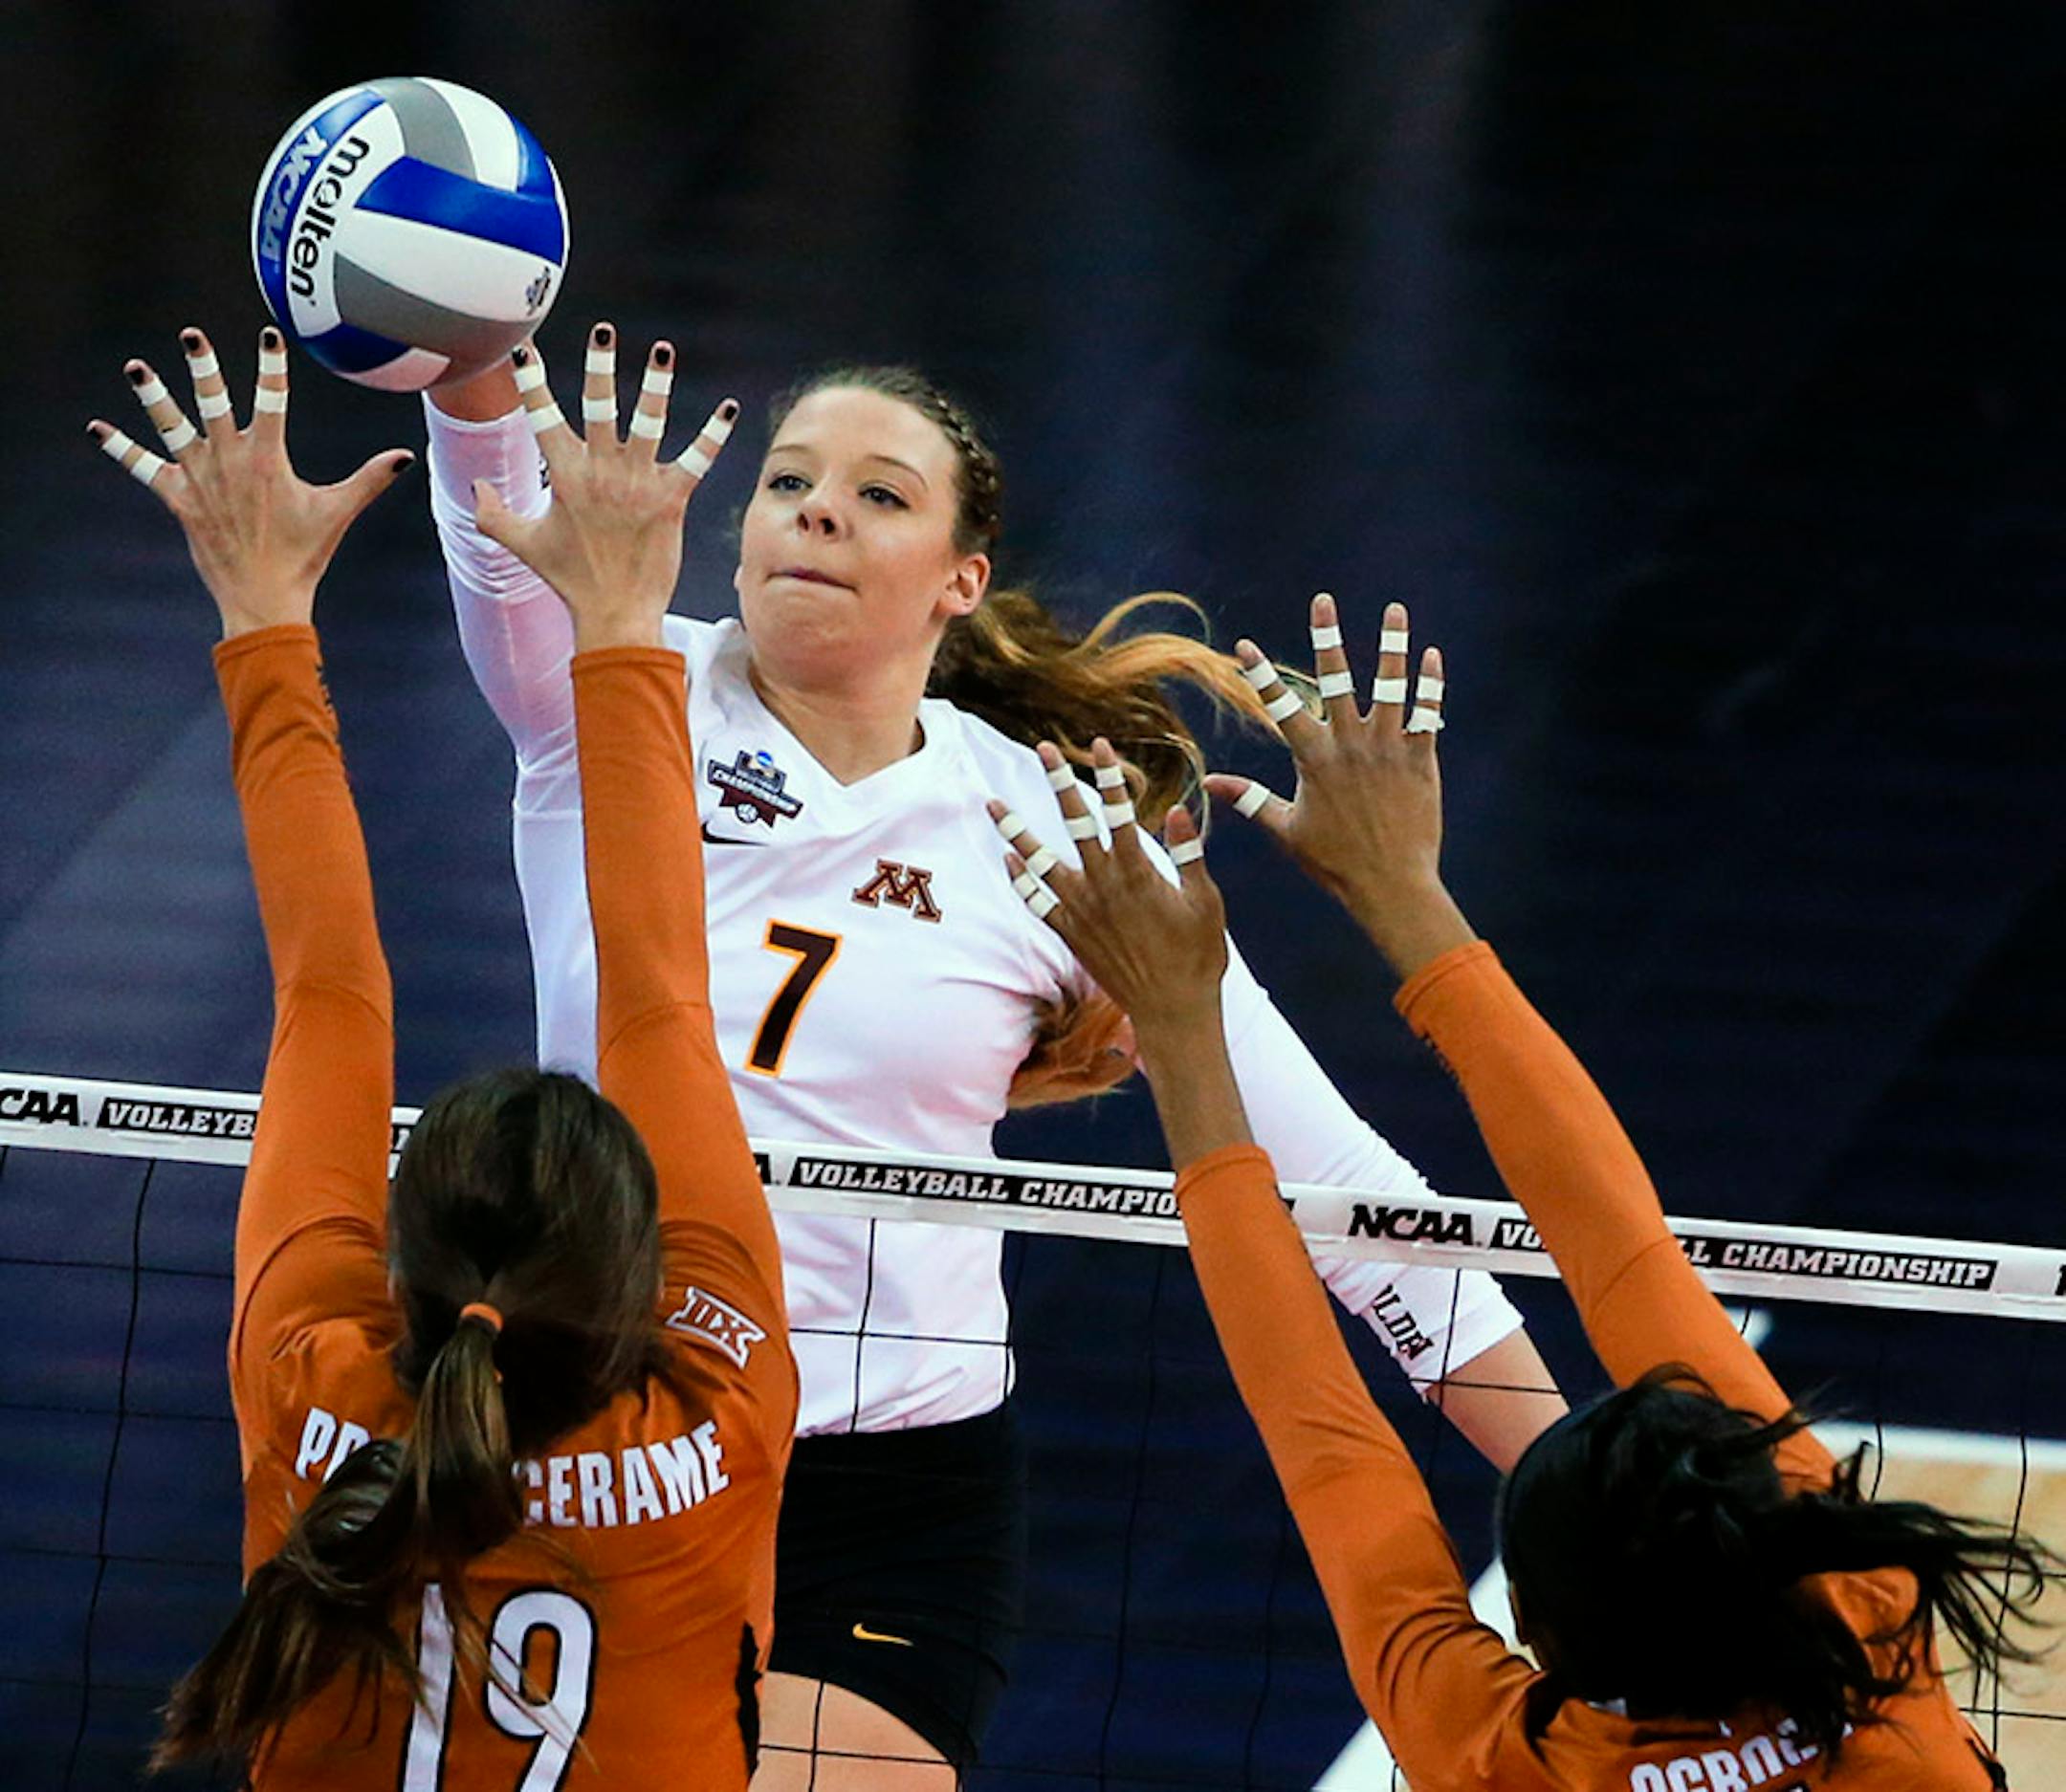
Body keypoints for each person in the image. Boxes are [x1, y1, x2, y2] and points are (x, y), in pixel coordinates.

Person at [429, 338, 1568, 1785]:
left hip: (893, 1476)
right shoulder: (614, 683)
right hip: (611, 1426)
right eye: (789, 482)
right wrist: (466, 373)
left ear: (960, 579)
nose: (817, 511)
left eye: (878, 494)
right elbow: (500, 550)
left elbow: (1339, 1186)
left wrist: (1565, 1472)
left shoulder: (1039, 824)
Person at [992, 593, 2051, 1789]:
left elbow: (1605, 1259)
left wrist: (1217, 1000)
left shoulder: (1551, 1744)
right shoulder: (1858, 1635)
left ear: (1542, 1644)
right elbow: (1359, 1423)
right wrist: (1360, 925)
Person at [92, 326, 797, 1786]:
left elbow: (329, 995)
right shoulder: (713, 1418)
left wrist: (269, 610)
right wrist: (615, 623)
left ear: (402, 1255)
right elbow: (654, 996)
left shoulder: (319, 1379)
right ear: (635, 1267)